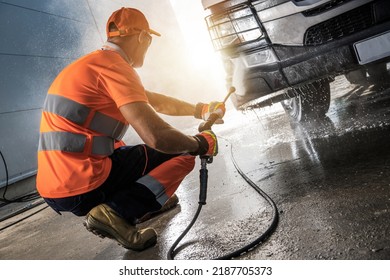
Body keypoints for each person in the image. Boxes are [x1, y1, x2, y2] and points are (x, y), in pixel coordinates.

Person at [36, 7, 225, 251]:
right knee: (182, 153)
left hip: (54, 188)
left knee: (124, 149)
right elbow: (157, 136)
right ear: (143, 38)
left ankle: (143, 206)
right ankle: (117, 212)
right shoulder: (116, 67)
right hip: (83, 183)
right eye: (148, 41)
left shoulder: (94, 64)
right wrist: (200, 143)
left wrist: (200, 109)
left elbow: (153, 100)